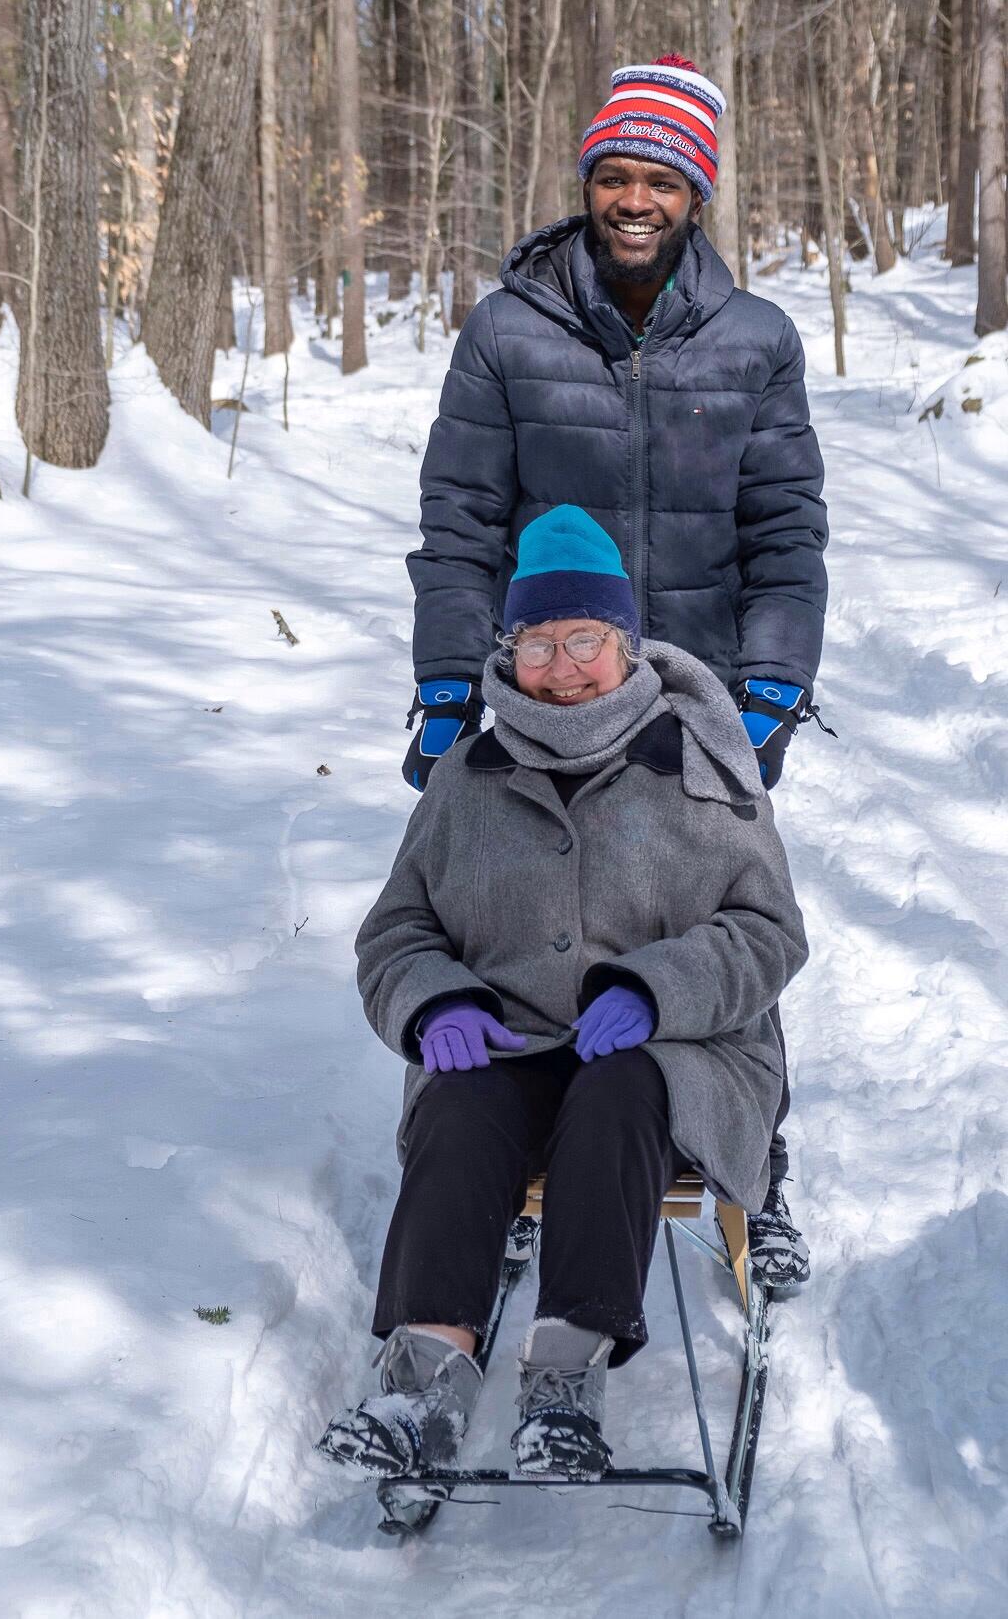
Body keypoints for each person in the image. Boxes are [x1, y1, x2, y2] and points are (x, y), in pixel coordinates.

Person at [401, 55, 828, 1287]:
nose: (635, 201)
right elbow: (460, 524)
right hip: (545, 688)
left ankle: (756, 1167)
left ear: (698, 195)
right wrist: (447, 688)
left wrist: (767, 696)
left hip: (695, 705)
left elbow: (786, 536)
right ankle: (530, 1147)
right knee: (527, 917)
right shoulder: (507, 330)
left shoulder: (756, 340)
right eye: (616, 177)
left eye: (662, 181)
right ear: (588, 183)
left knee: (721, 932)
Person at [318, 509, 807, 1483]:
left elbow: (769, 933)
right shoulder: (466, 776)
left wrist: (657, 987)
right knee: (457, 1104)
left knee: (617, 1093)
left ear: (625, 646)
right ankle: (424, 1384)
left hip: (674, 1059)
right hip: (506, 1049)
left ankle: (562, 1388)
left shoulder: (700, 769)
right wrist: (434, 1001)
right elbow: (395, 932)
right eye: (541, 643)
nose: (565, 664)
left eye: (585, 639)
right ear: (513, 650)